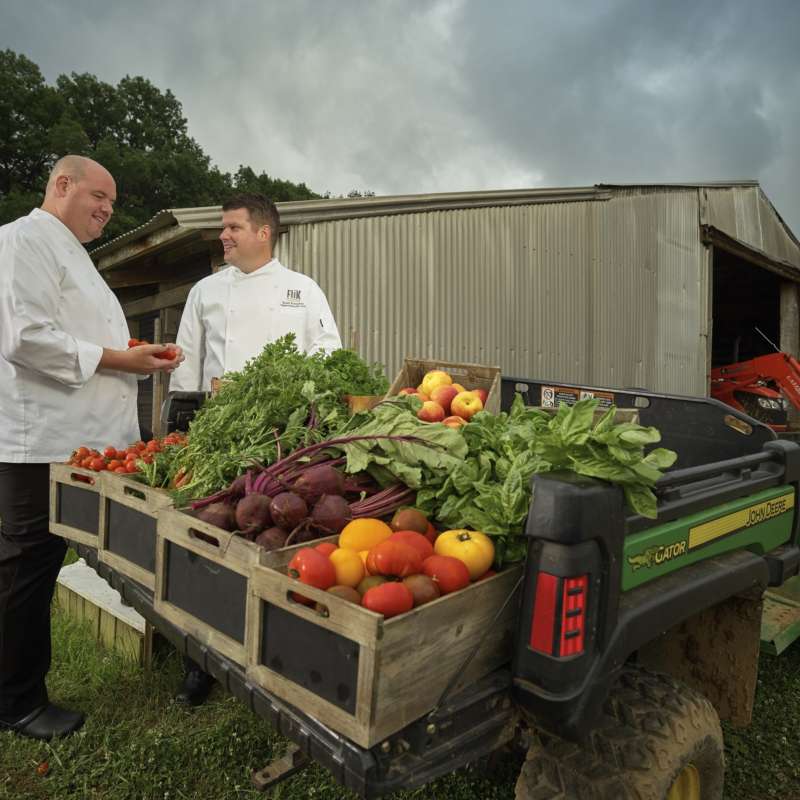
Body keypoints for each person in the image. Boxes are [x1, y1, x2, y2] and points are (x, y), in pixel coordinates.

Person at [0, 155, 184, 740]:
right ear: (62, 184)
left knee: (37, 567)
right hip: (39, 442)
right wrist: (120, 357)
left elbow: (73, 337)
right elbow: (26, 338)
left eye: (111, 200)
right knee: (26, 569)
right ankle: (17, 702)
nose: (107, 209)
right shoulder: (24, 241)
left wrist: (129, 349)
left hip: (72, 441)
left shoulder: (70, 253)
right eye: (98, 195)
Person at [169, 192, 342, 705]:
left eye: (233, 227)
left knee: (268, 537)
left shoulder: (301, 290)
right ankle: (197, 657)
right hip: (219, 435)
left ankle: (271, 650)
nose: (224, 235)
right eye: (223, 228)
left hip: (279, 441)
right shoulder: (205, 290)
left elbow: (327, 357)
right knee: (206, 537)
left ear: (263, 232)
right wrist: (182, 429)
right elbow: (186, 362)